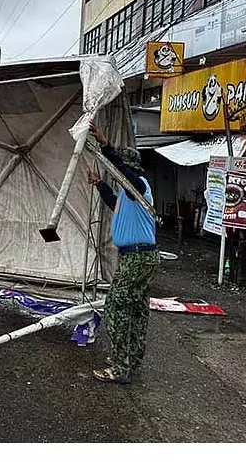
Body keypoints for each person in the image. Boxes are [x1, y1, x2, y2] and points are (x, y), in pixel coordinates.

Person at [86, 121, 159, 385]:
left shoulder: (139, 185)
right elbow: (112, 202)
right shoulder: (131, 197)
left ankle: (119, 368)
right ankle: (130, 360)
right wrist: (99, 185)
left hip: (136, 259)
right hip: (142, 257)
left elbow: (125, 175)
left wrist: (106, 146)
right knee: (136, 310)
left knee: (116, 309)